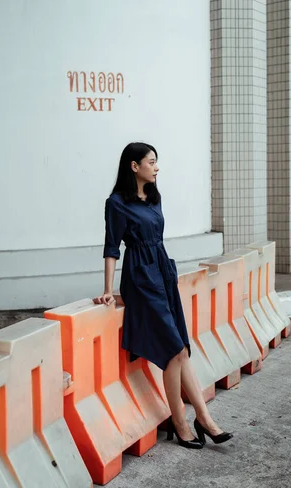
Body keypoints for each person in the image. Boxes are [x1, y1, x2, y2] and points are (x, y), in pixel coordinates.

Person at [93, 142, 233, 449]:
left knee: (181, 347)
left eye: (156, 162)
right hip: (141, 276)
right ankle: (181, 421)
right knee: (174, 350)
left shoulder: (154, 198)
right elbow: (112, 247)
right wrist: (107, 290)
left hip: (163, 271)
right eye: (151, 162)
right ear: (134, 166)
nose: (156, 167)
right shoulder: (116, 203)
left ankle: (205, 419)